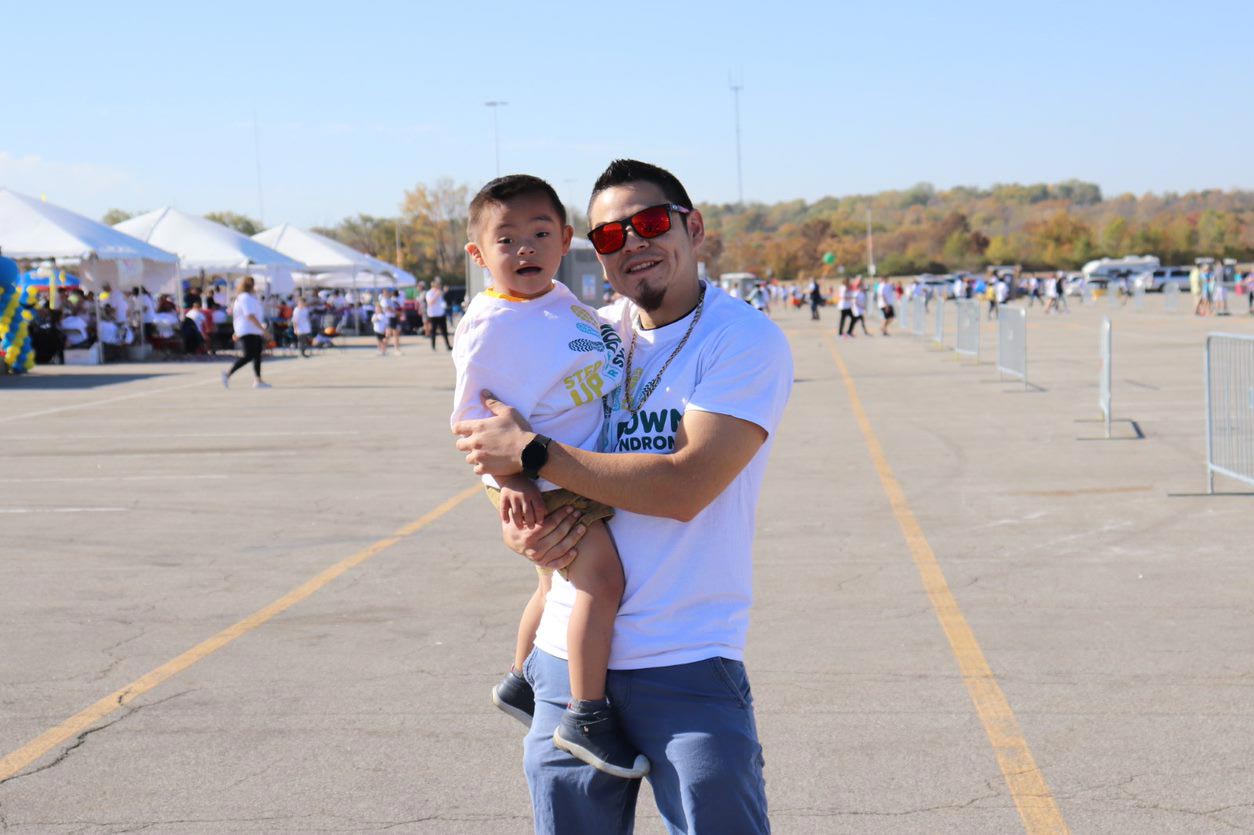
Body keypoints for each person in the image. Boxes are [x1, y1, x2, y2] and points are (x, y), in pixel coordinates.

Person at [453, 159, 790, 832]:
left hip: (686, 661)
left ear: (692, 228)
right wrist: (518, 519)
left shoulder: (742, 339)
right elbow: (487, 429)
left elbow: (685, 485)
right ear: (596, 254)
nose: (632, 242)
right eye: (611, 236)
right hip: (566, 667)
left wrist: (536, 455)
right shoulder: (583, 333)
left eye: (650, 222)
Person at [454, 174, 646, 781]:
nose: (525, 250)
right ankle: (586, 716)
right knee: (600, 581)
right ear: (479, 256)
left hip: (569, 463)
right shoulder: (491, 326)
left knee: (552, 587)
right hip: (538, 472)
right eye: (506, 240)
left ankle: (520, 682)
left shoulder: (560, 301)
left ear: (565, 240)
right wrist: (514, 484)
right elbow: (469, 420)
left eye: (540, 234)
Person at [222, 276, 270, 389]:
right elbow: (249, 316)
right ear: (252, 286)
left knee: (257, 355)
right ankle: (228, 373)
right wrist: (263, 330)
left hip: (251, 329)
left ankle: (258, 380)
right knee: (249, 355)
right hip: (248, 329)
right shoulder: (245, 298)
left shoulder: (246, 297)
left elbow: (239, 316)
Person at [425, 278, 452, 350]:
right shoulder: (429, 293)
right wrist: (436, 295)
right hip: (433, 315)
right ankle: (433, 346)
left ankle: (448, 345)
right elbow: (430, 302)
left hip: (441, 314)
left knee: (444, 331)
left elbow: (442, 302)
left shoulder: (440, 293)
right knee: (433, 331)